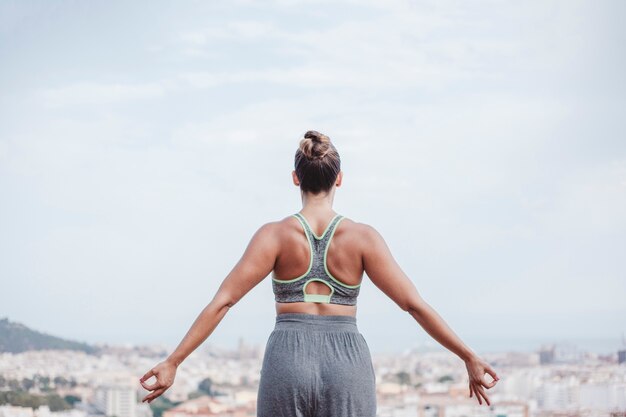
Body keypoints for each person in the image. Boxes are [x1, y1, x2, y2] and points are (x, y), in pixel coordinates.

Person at [139, 130, 500, 415]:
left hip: (287, 356)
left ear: (296, 178)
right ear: (339, 179)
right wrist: (468, 356)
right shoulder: (363, 238)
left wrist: (174, 361)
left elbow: (223, 301)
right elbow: (414, 305)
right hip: (347, 361)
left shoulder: (274, 236)